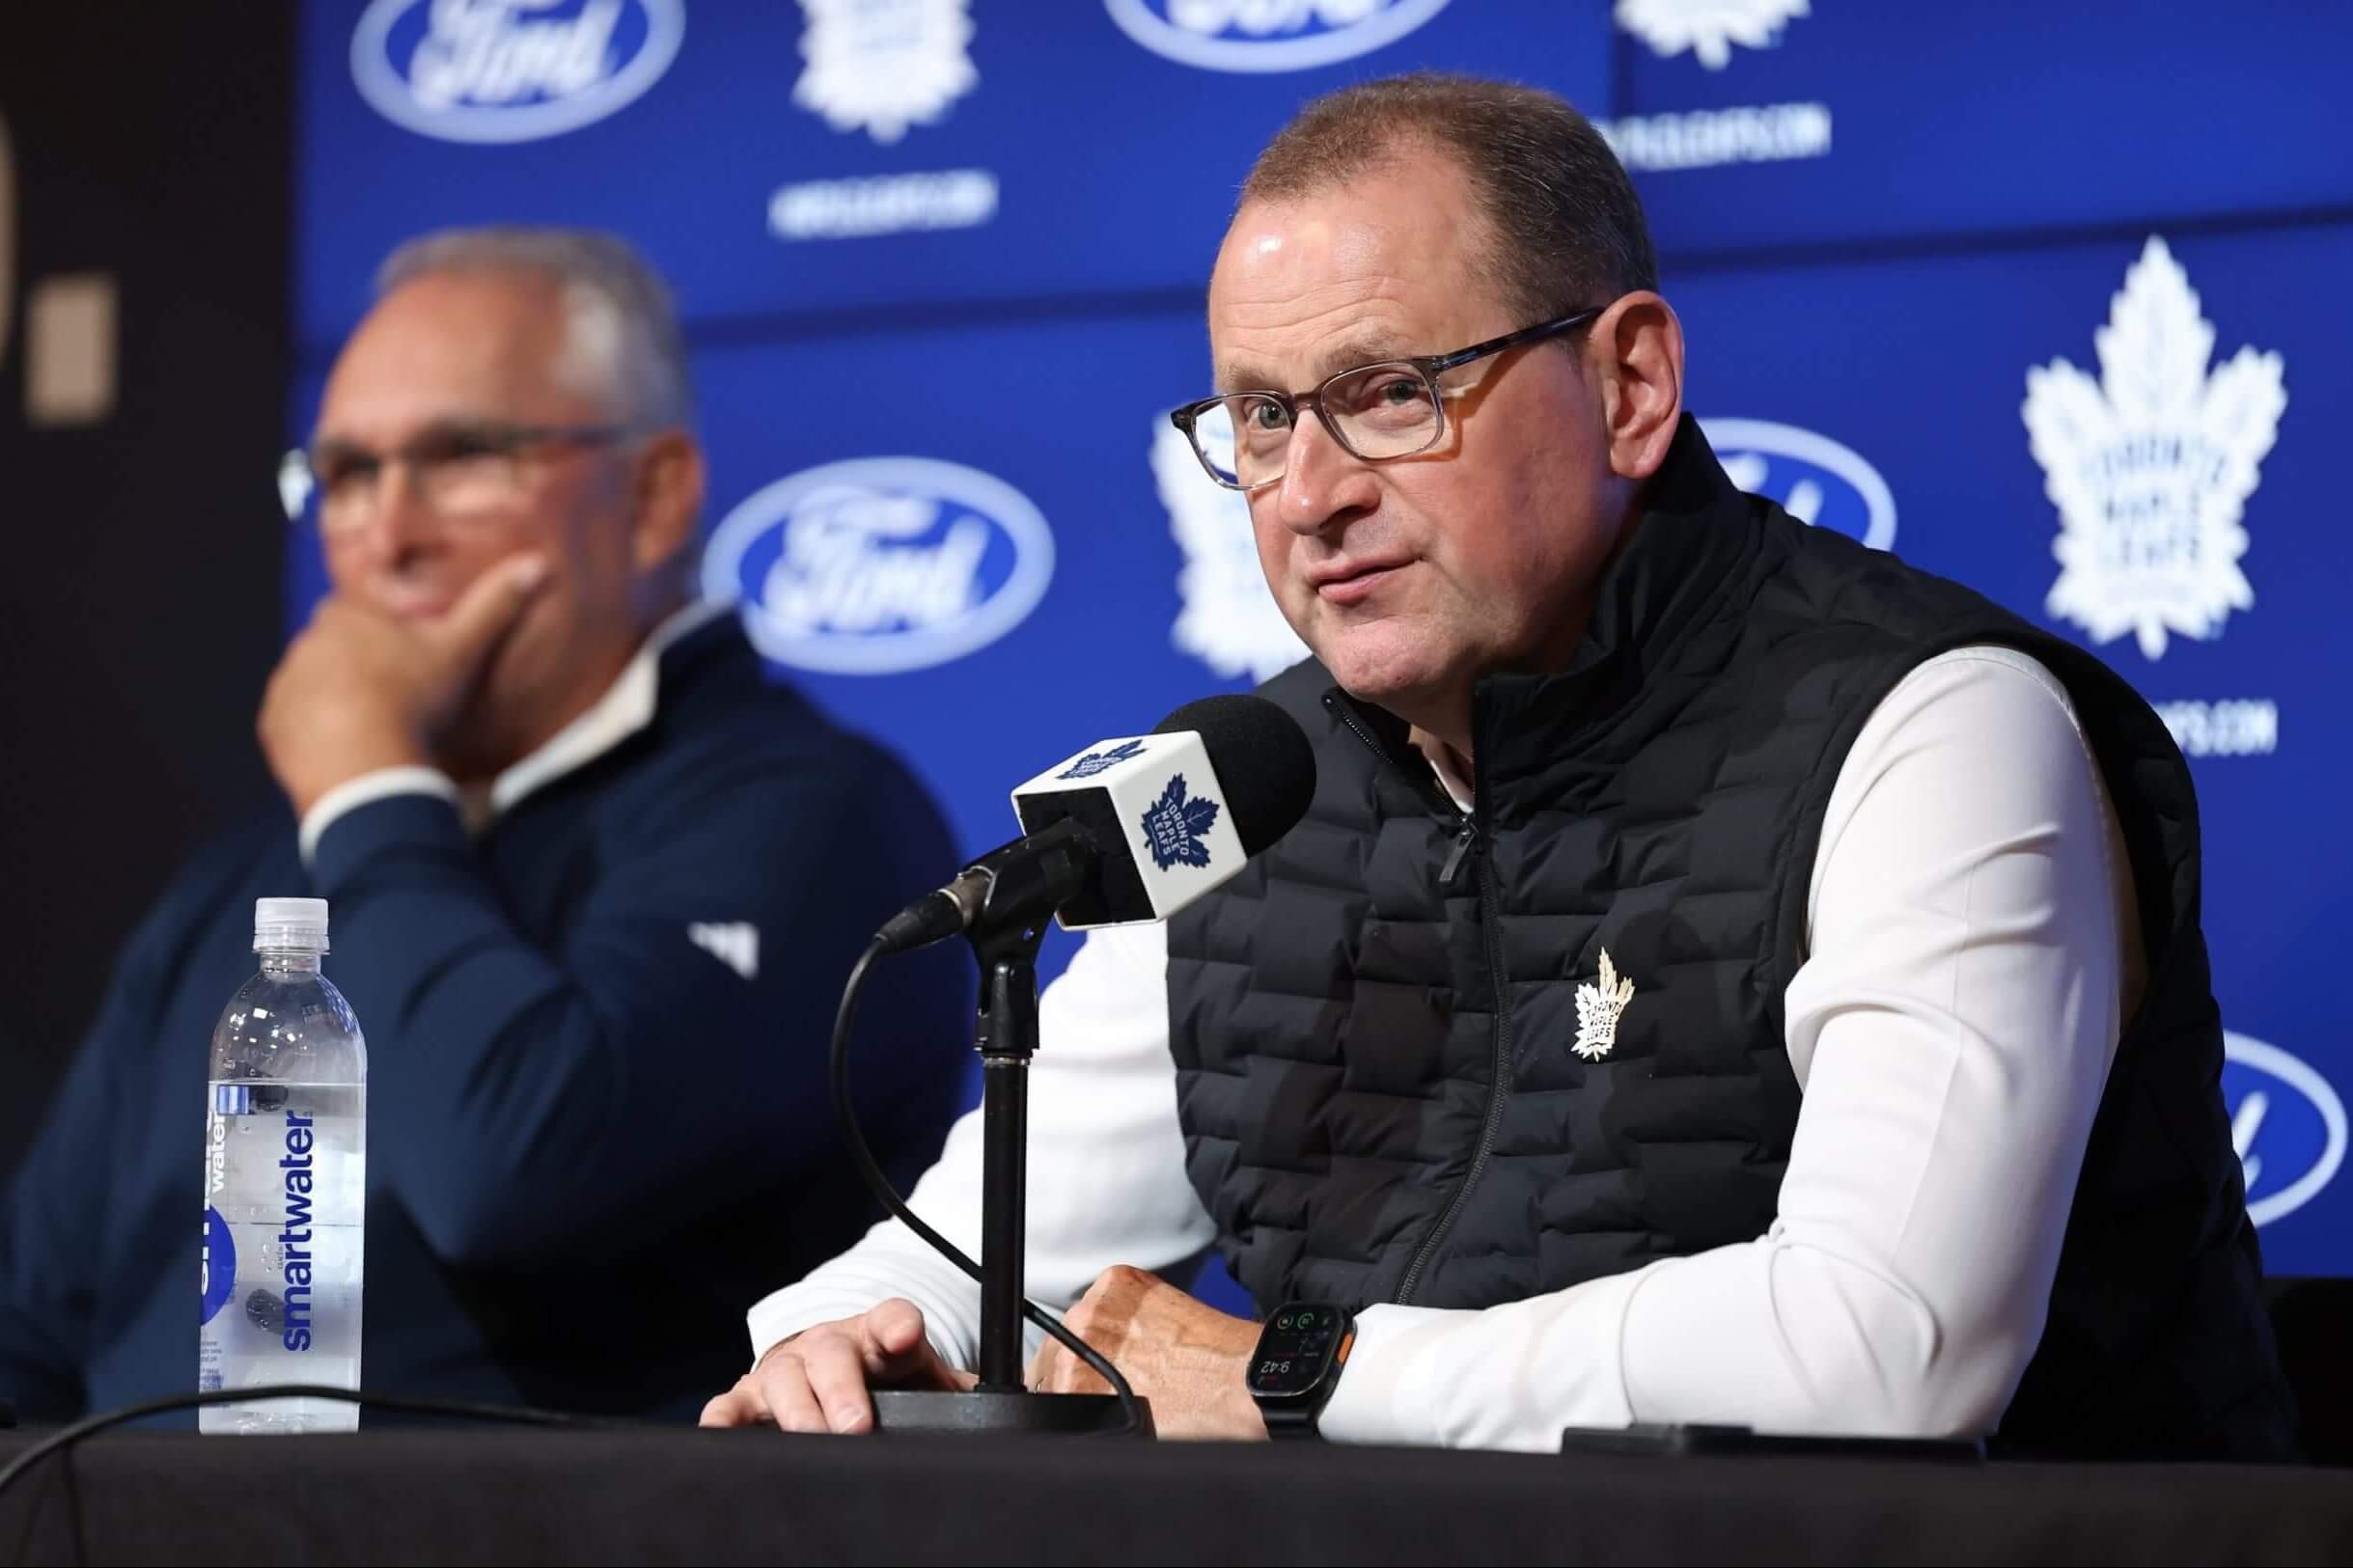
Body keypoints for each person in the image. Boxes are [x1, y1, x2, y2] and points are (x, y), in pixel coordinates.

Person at [702, 75, 2295, 1459]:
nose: (1305, 492)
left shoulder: (1930, 727)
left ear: (1627, 387)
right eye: (1259, 420)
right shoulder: (1240, 791)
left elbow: (1883, 1347)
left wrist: (1295, 1376)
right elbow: (978, 1261)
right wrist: (845, 1337)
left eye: (1387, 393)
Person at [0, 227, 970, 1423]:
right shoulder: (257, 868)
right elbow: (33, 1321)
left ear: (656, 493)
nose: (386, 533)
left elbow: (513, 1173)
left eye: (459, 456)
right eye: (347, 472)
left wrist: (367, 789)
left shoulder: (811, 821)